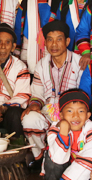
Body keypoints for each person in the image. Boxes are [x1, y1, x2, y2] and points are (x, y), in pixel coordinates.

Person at [22, 20, 83, 167]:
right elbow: (37, 94)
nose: (54, 44)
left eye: (59, 39)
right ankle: (41, 156)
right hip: (49, 111)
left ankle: (61, 159)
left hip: (71, 113)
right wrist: (35, 105)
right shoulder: (41, 65)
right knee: (29, 119)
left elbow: (83, 96)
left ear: (67, 41)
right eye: (50, 39)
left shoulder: (79, 63)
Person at [32, 89, 92, 180]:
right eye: (70, 111)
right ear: (61, 116)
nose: (75, 116)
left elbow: (90, 156)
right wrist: (63, 131)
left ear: (87, 116)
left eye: (81, 111)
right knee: (50, 155)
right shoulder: (55, 127)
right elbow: (57, 158)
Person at [14, 0, 66, 74]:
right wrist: (16, 52)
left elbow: (63, 26)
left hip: (53, 48)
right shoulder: (26, 3)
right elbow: (18, 28)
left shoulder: (60, 1)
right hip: (28, 49)